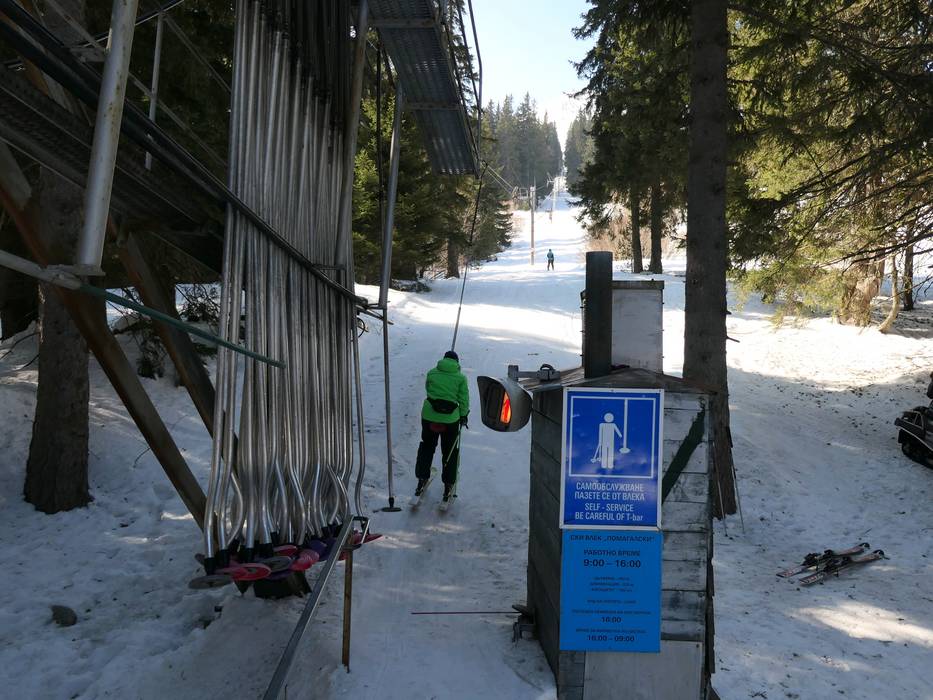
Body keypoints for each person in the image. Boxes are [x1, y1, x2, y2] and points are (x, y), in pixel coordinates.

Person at [415, 350, 470, 501]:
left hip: (429, 417)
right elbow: (463, 399)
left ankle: (421, 478)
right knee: (450, 451)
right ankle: (449, 484)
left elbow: (429, 390)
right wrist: (463, 415)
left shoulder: (431, 373)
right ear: (457, 362)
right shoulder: (461, 378)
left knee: (427, 446)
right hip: (450, 420)